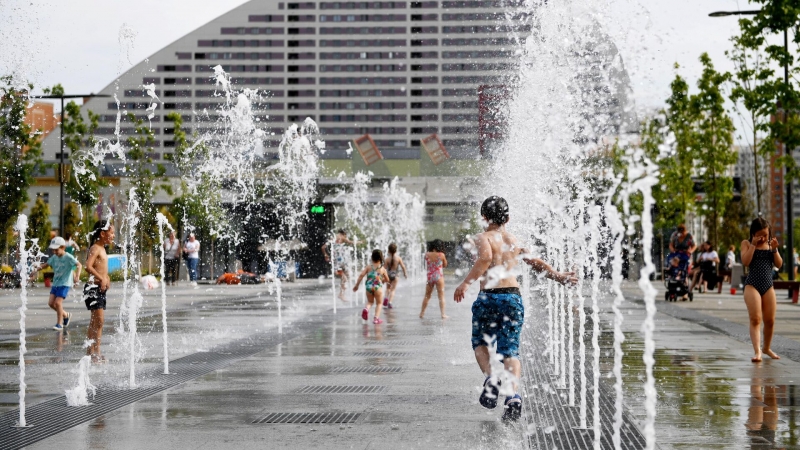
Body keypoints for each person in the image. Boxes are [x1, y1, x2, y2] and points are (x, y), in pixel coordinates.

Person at [453, 196, 577, 422]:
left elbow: (485, 258)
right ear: (508, 218)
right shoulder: (513, 239)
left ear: (483, 217)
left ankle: (492, 379)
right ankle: (513, 397)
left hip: (489, 297)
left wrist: (465, 283)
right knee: (510, 351)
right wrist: (557, 275)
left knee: (479, 341)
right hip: (512, 298)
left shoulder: (483, 237)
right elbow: (534, 261)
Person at [741, 217, 782, 363]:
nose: (763, 238)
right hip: (752, 285)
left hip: (768, 285)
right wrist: (753, 245)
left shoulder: (771, 245)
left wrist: (775, 250)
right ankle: (757, 351)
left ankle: (767, 348)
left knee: (770, 320)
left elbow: (779, 265)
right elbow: (745, 262)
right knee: (756, 318)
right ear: (753, 234)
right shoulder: (746, 243)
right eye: (760, 235)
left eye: (766, 235)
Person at [84, 219, 115, 363]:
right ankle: (94, 352)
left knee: (96, 322)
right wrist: (101, 278)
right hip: (93, 288)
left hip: (99, 289)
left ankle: (91, 352)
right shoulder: (95, 248)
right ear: (103, 234)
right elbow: (88, 267)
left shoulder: (103, 249)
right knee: (99, 321)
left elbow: (100, 268)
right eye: (112, 232)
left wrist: (106, 278)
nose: (113, 235)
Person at [36, 236, 82, 330]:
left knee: (58, 303)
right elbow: (46, 265)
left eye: (56, 250)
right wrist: (36, 269)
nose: (54, 252)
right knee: (51, 303)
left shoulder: (68, 257)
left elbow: (79, 265)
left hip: (65, 283)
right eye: (53, 250)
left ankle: (59, 323)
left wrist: (77, 276)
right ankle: (66, 315)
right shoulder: (54, 257)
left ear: (63, 247)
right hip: (56, 283)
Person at [353, 249, 390, 325]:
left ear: (372, 257)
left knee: (370, 301)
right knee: (379, 303)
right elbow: (387, 279)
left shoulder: (368, 267)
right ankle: (376, 319)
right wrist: (382, 280)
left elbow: (361, 275)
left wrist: (357, 285)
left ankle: (366, 309)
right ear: (381, 258)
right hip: (378, 287)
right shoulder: (383, 269)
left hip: (368, 287)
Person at [321, 229, 354, 301]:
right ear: (344, 234)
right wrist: (360, 242)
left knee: (347, 276)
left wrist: (325, 255)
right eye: (345, 236)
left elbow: (323, 247)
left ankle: (341, 294)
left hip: (340, 262)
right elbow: (351, 242)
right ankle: (341, 294)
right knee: (345, 278)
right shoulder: (341, 237)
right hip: (338, 264)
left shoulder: (333, 238)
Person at [421, 239, 448, 319]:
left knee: (427, 296)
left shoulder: (427, 254)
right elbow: (445, 265)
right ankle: (443, 314)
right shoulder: (441, 255)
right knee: (441, 296)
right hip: (439, 276)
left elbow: (426, 263)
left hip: (430, 276)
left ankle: (422, 313)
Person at [383, 243, 408, 309]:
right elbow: (403, 266)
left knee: (388, 288)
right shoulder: (398, 258)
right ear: (396, 250)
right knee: (393, 290)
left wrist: (382, 276)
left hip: (388, 275)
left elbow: (384, 269)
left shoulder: (387, 259)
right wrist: (405, 273)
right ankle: (390, 302)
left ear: (388, 250)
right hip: (396, 275)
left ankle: (386, 297)